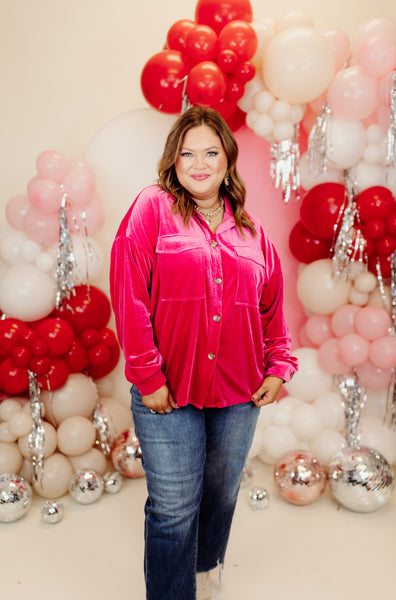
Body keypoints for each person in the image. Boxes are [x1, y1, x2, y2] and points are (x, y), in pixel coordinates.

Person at [109, 106, 298, 600]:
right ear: (172, 161)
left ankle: (205, 573)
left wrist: (279, 367)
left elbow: (271, 309)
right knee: (173, 505)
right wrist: (148, 377)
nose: (199, 163)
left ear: (227, 160)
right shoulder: (152, 209)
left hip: (239, 394)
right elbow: (129, 296)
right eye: (187, 153)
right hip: (168, 393)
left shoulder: (253, 233)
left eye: (210, 152)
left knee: (219, 494)